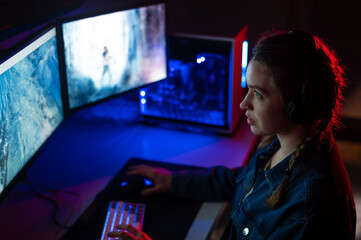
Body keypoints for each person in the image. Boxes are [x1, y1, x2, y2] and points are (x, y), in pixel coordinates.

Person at [108, 30, 356, 239]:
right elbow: (242, 181)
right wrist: (173, 181)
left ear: (298, 105)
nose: (243, 103)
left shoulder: (306, 210)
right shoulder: (286, 144)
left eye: (258, 94)